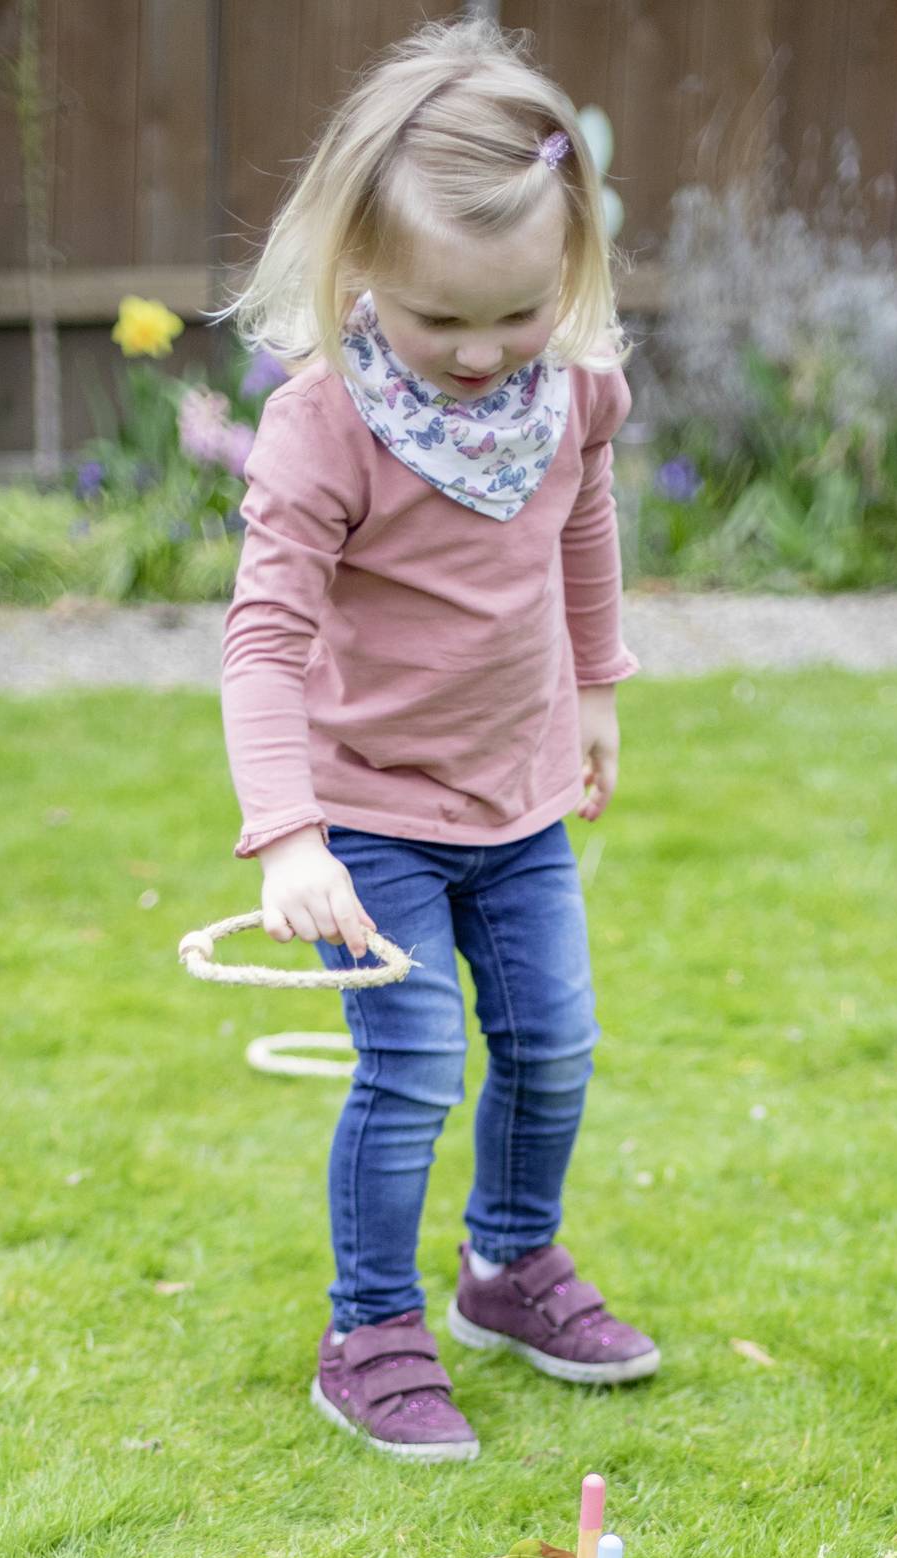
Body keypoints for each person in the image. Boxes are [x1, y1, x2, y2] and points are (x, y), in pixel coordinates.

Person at [219, 17, 658, 1462]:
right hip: (369, 823)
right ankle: (370, 1327)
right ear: (358, 273)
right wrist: (289, 838)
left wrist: (595, 689)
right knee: (410, 1068)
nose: (481, 357)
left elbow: (582, 521)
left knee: (555, 1049)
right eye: (438, 322)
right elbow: (266, 644)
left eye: (514, 315)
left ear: (570, 268)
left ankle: (510, 1270)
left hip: (520, 803)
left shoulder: (574, 389)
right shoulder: (324, 429)